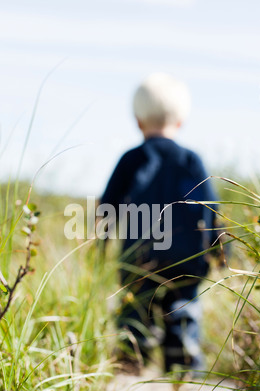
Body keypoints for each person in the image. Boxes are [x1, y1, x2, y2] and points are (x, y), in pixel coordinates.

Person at [100, 73, 219, 372]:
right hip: (187, 256)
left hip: (141, 256)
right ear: (181, 121)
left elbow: (108, 205)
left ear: (138, 120)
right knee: (183, 309)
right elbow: (212, 207)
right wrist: (219, 250)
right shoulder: (191, 160)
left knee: (135, 311)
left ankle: (130, 364)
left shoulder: (131, 159)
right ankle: (184, 370)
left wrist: (100, 244)